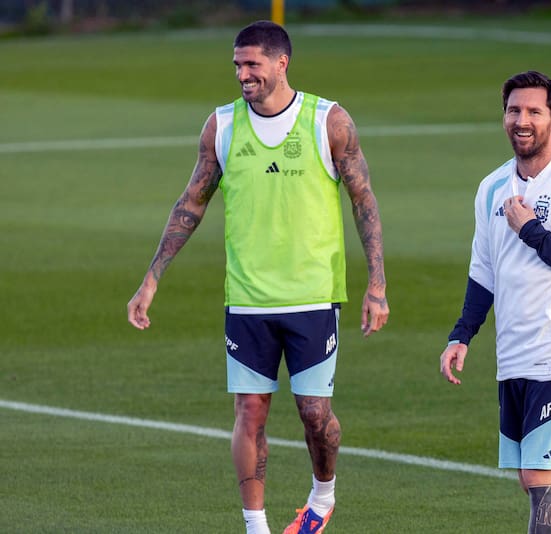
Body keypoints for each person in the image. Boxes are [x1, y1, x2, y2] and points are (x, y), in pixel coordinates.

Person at [127, 20, 389, 534]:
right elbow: (191, 204)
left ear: (281, 63)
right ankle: (256, 526)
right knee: (249, 412)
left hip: (312, 296)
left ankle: (322, 496)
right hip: (247, 299)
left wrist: (376, 286)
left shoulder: (328, 121)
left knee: (315, 414)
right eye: (237, 65)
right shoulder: (221, 127)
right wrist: (152, 278)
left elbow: (364, 201)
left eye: (252, 64)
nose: (242, 74)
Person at [439, 71, 551, 533]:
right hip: (512, 351)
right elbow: (483, 271)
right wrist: (462, 335)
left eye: (534, 111)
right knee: (533, 475)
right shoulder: (492, 188)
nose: (522, 120)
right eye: (514, 110)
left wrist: (531, 231)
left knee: (540, 475)